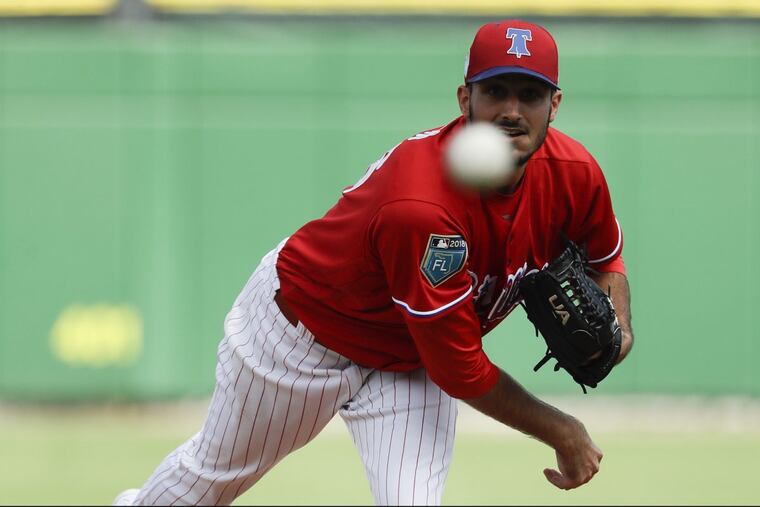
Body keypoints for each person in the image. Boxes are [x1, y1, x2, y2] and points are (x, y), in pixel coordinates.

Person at [114, 19, 634, 506]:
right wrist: (561, 430)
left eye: (531, 94)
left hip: (411, 359)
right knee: (208, 483)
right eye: (495, 91)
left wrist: (621, 327)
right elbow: (460, 368)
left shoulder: (574, 173)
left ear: (555, 103)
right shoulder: (423, 206)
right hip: (307, 337)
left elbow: (606, 255)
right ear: (465, 99)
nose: (512, 111)